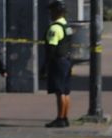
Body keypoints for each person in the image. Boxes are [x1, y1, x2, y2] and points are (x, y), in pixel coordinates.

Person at [44, 0, 75, 128]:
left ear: (56, 12)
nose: (50, 13)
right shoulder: (67, 26)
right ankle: (65, 117)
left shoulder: (54, 28)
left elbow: (52, 48)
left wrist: (45, 66)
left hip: (58, 62)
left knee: (59, 92)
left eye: (51, 11)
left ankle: (60, 118)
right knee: (66, 92)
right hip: (67, 61)